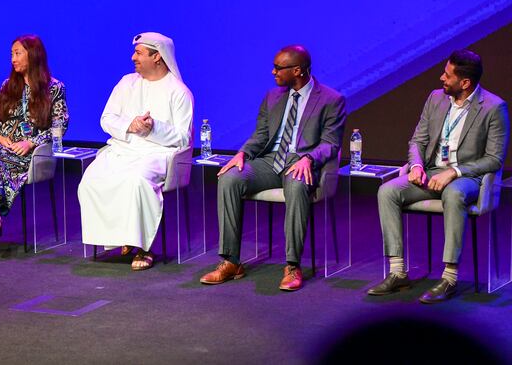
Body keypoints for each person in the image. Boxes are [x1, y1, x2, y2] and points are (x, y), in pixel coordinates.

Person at [367, 49, 509, 303]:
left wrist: (454, 172)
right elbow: (417, 140)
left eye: (447, 74)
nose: (441, 78)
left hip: (467, 177)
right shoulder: (435, 98)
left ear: (464, 83)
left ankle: (449, 277)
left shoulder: (493, 107)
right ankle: (398, 272)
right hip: (430, 172)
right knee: (388, 191)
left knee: (454, 193)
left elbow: (494, 159)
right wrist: (417, 166)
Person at [201, 45, 346, 291]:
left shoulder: (332, 100)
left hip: (301, 162)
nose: (273, 72)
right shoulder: (273, 96)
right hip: (270, 160)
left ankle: (292, 265)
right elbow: (261, 135)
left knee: (298, 184)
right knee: (229, 178)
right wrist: (242, 154)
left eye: (279, 68)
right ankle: (230, 261)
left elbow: (331, 144)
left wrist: (308, 159)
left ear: (298, 70)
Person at [78, 32, 193, 271]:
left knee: (136, 181)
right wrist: (129, 125)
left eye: (139, 53)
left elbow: (183, 139)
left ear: (158, 57)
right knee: (91, 179)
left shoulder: (179, 92)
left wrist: (153, 128)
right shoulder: (126, 83)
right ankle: (119, 238)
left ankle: (143, 247)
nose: (133, 58)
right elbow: (107, 118)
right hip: (124, 148)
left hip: (157, 153)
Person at [0, 34, 68, 258]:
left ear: (32, 55)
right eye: (11, 54)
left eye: (17, 53)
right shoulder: (8, 86)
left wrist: (31, 142)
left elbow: (60, 126)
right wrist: (0, 138)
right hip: (1, 149)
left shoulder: (54, 89)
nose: (13, 59)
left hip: (29, 155)